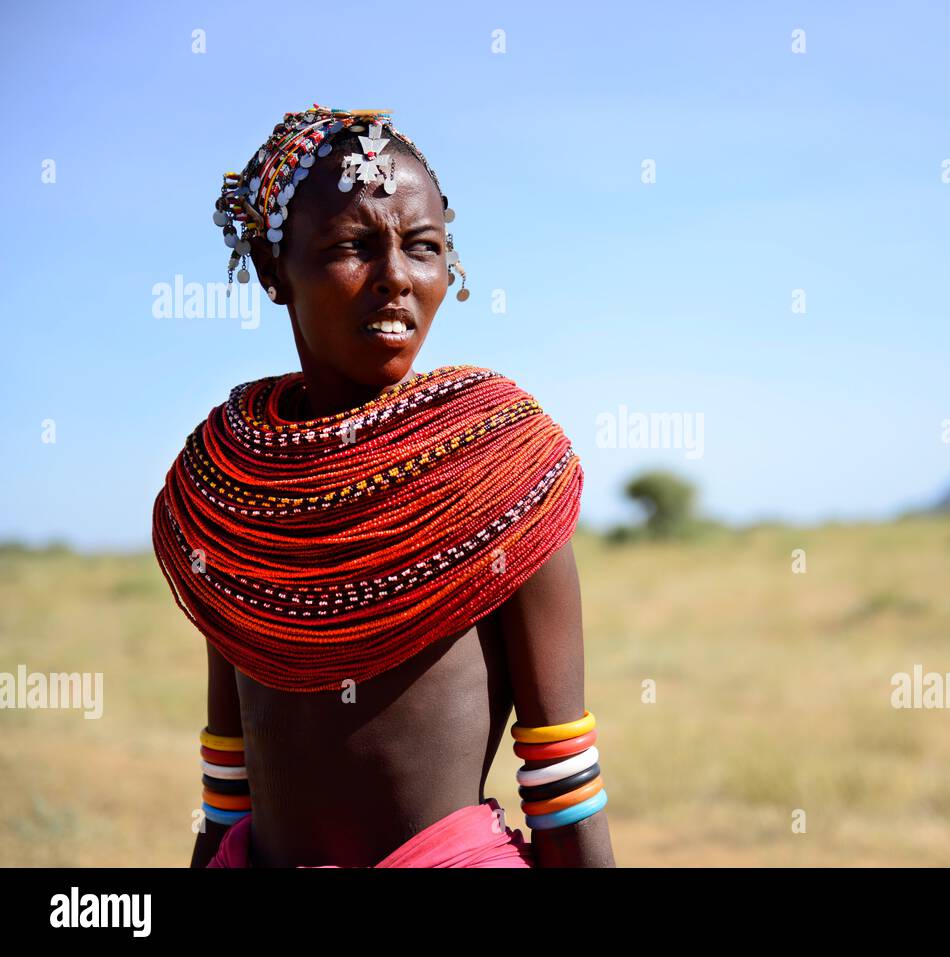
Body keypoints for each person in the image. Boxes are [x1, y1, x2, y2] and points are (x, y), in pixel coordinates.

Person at [152, 105, 614, 868]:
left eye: (423, 247)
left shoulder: (496, 463)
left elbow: (563, 784)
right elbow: (228, 786)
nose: (396, 277)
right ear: (274, 271)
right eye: (353, 246)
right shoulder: (231, 483)